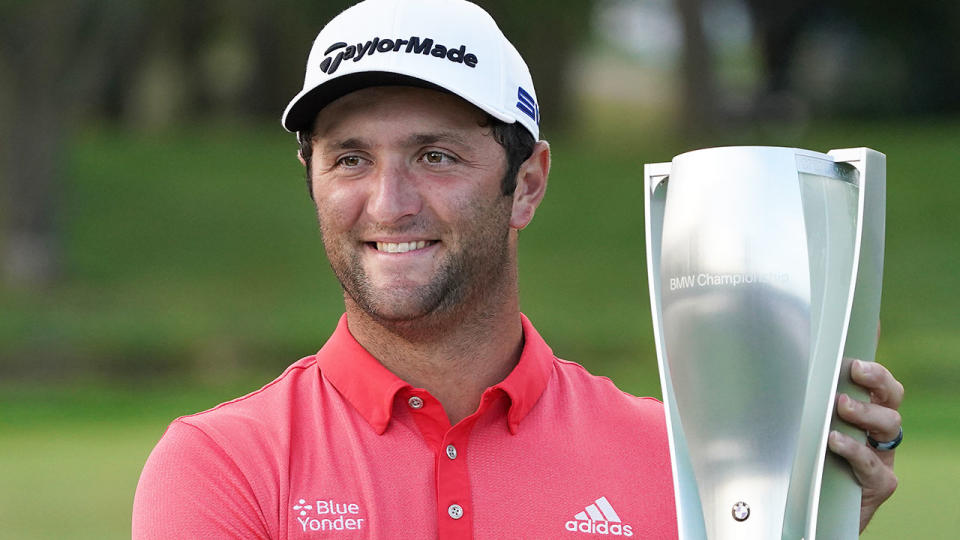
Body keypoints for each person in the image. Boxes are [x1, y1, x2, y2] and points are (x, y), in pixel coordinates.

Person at [132, 0, 903, 538]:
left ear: (526, 183)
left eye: (435, 156)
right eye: (350, 159)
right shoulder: (222, 465)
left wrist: (801, 516)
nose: (389, 203)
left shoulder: (681, 458)